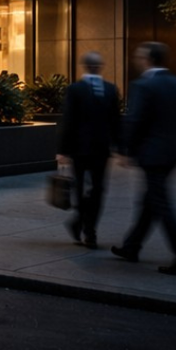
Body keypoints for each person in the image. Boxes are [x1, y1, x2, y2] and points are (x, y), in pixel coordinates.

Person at [112, 41, 176, 276]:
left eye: (140, 57)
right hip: (171, 153)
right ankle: (131, 246)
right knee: (150, 201)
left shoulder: (143, 85)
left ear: (148, 60)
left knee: (160, 204)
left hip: (152, 154)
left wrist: (125, 150)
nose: (137, 60)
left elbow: (134, 119)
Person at [56, 52, 122, 249]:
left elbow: (69, 120)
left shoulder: (105, 89)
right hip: (86, 148)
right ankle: (88, 229)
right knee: (92, 189)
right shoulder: (100, 89)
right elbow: (115, 121)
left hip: (91, 148)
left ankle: (83, 225)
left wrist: (62, 151)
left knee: (94, 189)